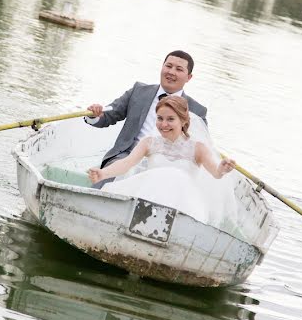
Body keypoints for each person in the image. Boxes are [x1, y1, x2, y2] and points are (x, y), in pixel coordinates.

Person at [87, 96, 236, 225]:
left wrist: (222, 168)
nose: (163, 125)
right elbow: (127, 163)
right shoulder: (149, 142)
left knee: (176, 176)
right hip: (148, 196)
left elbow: (216, 173)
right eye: (160, 118)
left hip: (182, 205)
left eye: (170, 119)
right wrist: (103, 173)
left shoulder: (198, 148)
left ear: (183, 121)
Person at [85, 51, 207, 188]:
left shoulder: (197, 110)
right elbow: (109, 115)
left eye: (179, 69)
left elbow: (197, 148)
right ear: (162, 67)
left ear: (188, 77)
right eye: (168, 66)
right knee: (116, 171)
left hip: (167, 163)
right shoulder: (139, 91)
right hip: (127, 155)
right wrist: (95, 115)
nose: (171, 72)